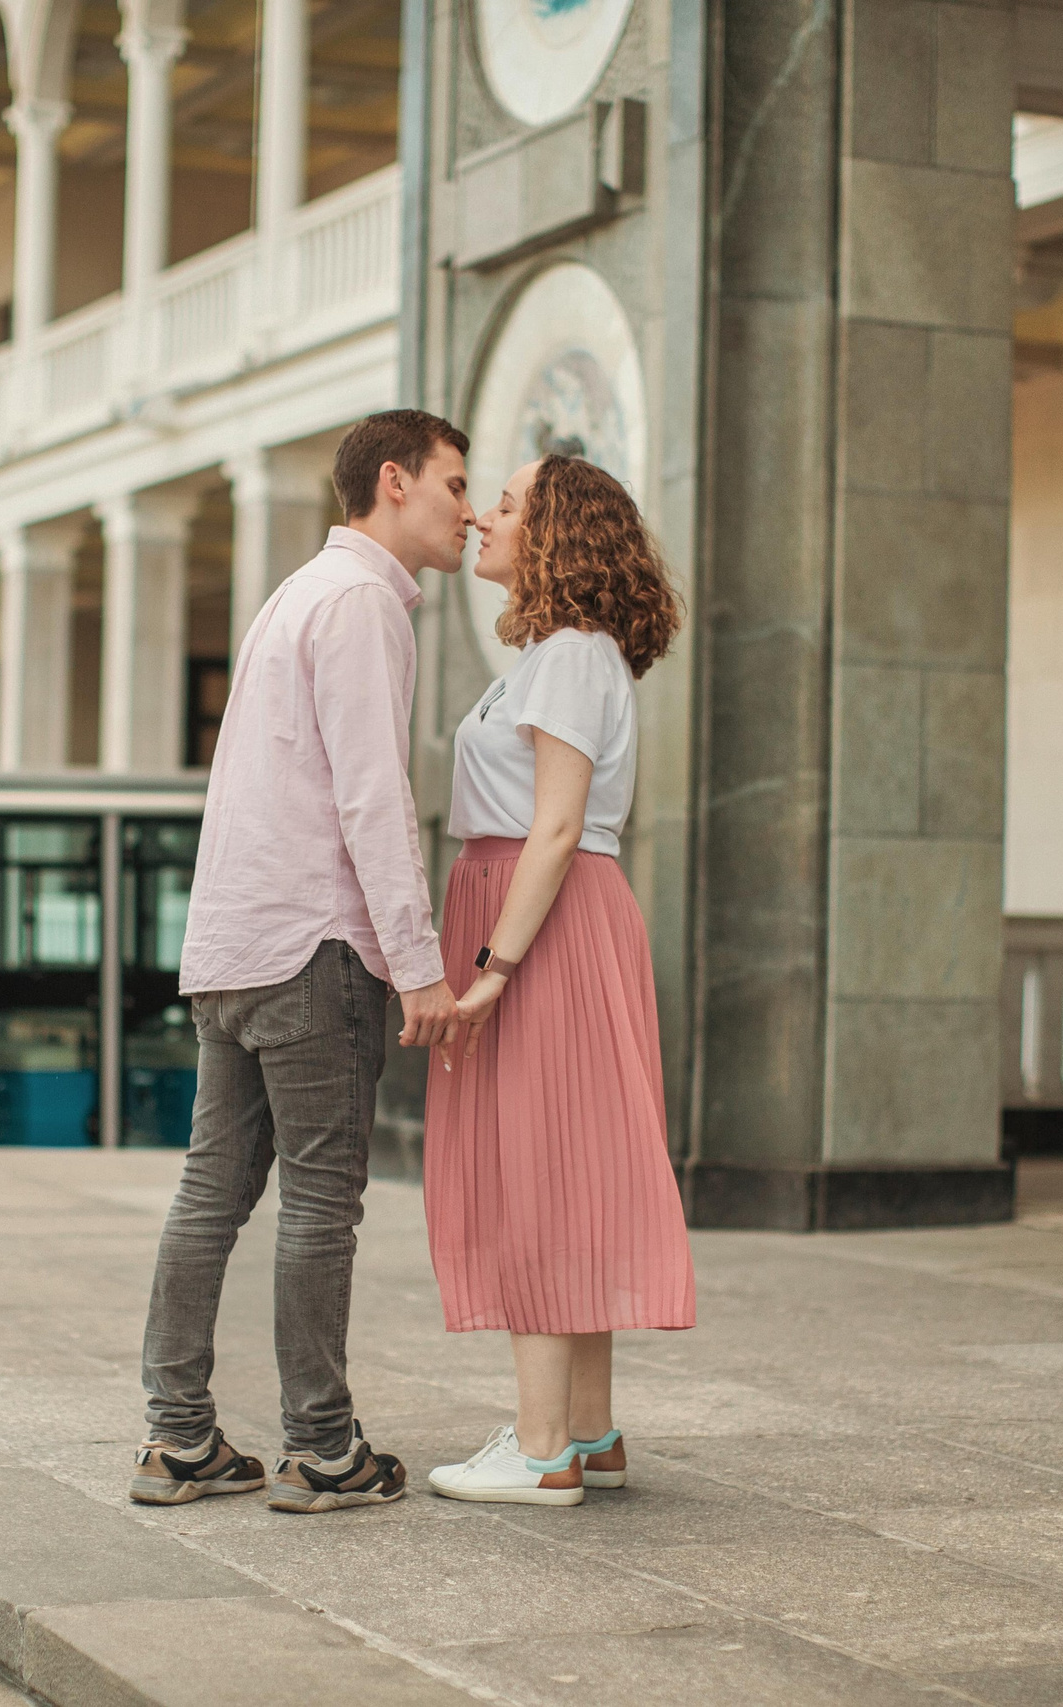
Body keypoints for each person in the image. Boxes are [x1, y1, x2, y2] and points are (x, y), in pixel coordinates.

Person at [131, 410, 473, 1514]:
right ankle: (324, 1449)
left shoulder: (293, 595)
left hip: (231, 944)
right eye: (454, 484)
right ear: (393, 481)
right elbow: (374, 798)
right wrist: (417, 966)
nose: (467, 510)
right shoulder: (365, 602)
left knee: (212, 1192)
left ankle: (179, 1440)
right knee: (322, 1201)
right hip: (313, 948)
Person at [422, 455, 695, 1507]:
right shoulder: (555, 656)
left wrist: (493, 968)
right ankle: (582, 1431)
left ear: (557, 535)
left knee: (538, 1168)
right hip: (542, 913)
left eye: (506, 501)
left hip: (541, 918)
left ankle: (541, 1453)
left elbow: (557, 824)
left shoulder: (573, 654)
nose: (483, 516)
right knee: (561, 1164)